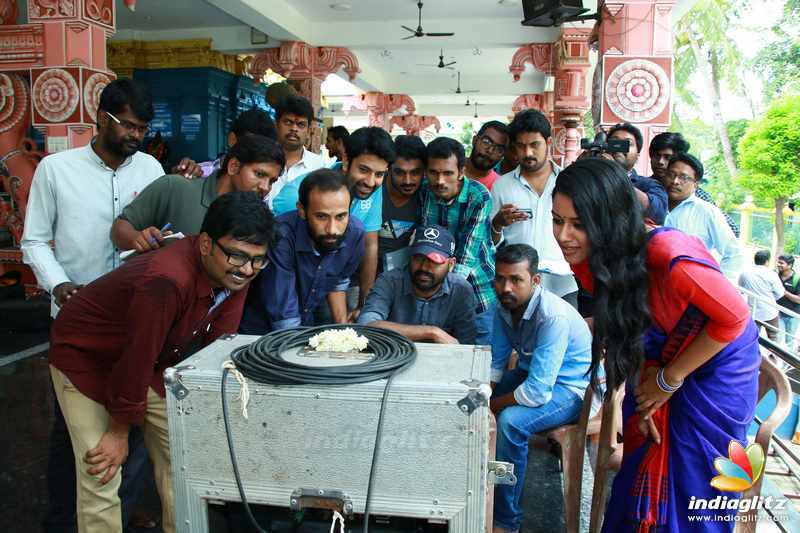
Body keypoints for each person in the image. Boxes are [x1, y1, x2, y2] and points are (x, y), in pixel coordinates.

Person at [552, 157, 760, 532]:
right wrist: (647, 392)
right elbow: (634, 328)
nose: (564, 235)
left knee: (694, 480)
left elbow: (733, 318)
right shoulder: (591, 259)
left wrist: (667, 381)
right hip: (656, 362)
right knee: (641, 456)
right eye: (557, 220)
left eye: (579, 225)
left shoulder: (667, 254)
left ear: (610, 221)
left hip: (714, 364)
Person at [48, 191, 274, 533]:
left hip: (151, 360)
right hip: (87, 358)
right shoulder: (167, 280)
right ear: (205, 244)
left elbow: (216, 347)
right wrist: (118, 430)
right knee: (102, 470)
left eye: (259, 260)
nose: (247, 269)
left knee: (184, 461)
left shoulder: (235, 272)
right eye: (238, 256)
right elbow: (136, 356)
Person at [22, 78, 164, 533]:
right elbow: (35, 240)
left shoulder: (151, 172)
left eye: (143, 128)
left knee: (131, 424)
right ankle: (64, 519)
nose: (137, 137)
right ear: (102, 118)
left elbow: (165, 238)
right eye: (130, 126)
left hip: (135, 321)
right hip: (75, 322)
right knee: (75, 433)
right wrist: (59, 285)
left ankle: (118, 512)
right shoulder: (56, 170)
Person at [489, 244, 592, 533]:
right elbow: (495, 366)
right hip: (532, 376)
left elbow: (536, 392)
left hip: (570, 390)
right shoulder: (503, 306)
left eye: (516, 280)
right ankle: (482, 491)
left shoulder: (552, 316)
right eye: (500, 278)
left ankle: (506, 520)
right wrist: (484, 398)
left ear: (535, 281)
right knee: (473, 408)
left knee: (508, 423)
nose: (506, 287)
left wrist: (492, 407)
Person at [271, 127, 396, 319]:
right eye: (364, 170)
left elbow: (370, 244)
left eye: (379, 174)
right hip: (286, 280)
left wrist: (364, 305)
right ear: (346, 161)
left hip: (327, 282)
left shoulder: (372, 189)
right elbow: (280, 258)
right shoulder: (296, 195)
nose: (371, 182)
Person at [239, 169, 365, 333]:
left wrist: (344, 331)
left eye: (341, 216)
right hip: (260, 332)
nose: (332, 229)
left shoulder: (355, 233)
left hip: (304, 326)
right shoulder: (281, 236)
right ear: (301, 210)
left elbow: (337, 283)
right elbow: (285, 316)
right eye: (321, 216)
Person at [111, 135, 285, 253]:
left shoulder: (257, 219)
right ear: (233, 166)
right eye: (259, 174)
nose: (265, 187)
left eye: (272, 181)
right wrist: (137, 239)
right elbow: (120, 228)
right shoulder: (175, 188)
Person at [491, 109, 578, 306]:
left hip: (563, 283)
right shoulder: (502, 186)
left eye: (534, 145)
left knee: (563, 336)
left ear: (548, 142)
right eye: (521, 146)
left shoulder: (569, 182)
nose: (528, 153)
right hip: (516, 286)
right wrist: (497, 224)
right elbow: (491, 242)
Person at [420, 137, 496, 344]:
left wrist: (444, 297)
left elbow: (466, 255)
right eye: (434, 172)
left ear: (461, 171)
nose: (440, 180)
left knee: (479, 359)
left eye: (448, 173)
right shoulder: (425, 190)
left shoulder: (479, 196)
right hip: (434, 290)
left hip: (478, 289)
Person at [358, 224, 477, 344]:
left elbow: (467, 344)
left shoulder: (461, 290)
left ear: (451, 264)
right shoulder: (389, 281)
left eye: (434, 261)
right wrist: (431, 332)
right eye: (418, 258)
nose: (424, 267)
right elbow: (366, 324)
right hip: (394, 357)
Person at [663, 153, 742, 279]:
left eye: (684, 178)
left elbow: (733, 253)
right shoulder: (653, 204)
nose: (675, 181)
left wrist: (718, 287)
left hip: (688, 287)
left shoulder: (707, 212)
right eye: (671, 175)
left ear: (696, 184)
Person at [649, 132, 740, 237]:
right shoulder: (643, 188)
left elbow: (732, 231)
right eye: (657, 156)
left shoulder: (696, 195)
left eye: (667, 157)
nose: (660, 162)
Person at [171, 107, 277, 179]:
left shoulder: (268, 185)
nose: (256, 154)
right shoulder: (199, 173)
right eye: (252, 146)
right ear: (232, 140)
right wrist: (180, 177)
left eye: (263, 150)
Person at [266, 94, 324, 208]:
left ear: (308, 131)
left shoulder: (319, 166)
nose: (294, 128)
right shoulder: (262, 161)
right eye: (288, 122)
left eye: (301, 124)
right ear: (276, 125)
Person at [378, 134, 426, 271]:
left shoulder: (427, 196)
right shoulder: (373, 188)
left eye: (415, 172)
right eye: (399, 172)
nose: (408, 181)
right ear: (389, 168)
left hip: (403, 274)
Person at [607, 122, 668, 224]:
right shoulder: (593, 178)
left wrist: (616, 174)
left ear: (637, 156)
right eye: (615, 142)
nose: (619, 147)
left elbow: (658, 214)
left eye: (627, 143)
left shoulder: (648, 184)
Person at [738, 250, 784, 342]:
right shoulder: (772, 274)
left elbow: (741, 290)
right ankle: (773, 355)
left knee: (753, 338)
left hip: (753, 311)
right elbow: (780, 293)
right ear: (767, 261)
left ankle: (754, 354)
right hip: (770, 311)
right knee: (774, 337)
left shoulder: (745, 273)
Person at [464, 120, 509, 191]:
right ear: (474, 140)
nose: (490, 150)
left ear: (503, 155)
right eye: (486, 142)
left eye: (499, 149)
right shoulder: (449, 169)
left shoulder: (500, 187)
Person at [776, 254, 800, 348]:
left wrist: (783, 292)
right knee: (777, 340)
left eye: (781, 263)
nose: (778, 264)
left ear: (789, 265)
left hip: (792, 316)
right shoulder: (775, 275)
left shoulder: (797, 279)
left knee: (789, 341)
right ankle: (774, 361)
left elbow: (799, 300)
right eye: (778, 262)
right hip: (777, 313)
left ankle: (787, 362)